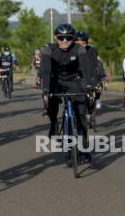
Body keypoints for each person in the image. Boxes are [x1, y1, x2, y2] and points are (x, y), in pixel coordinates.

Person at [41, 23, 95, 162]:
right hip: (55, 81)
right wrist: (46, 89)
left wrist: (89, 85)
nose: (64, 41)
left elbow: (85, 69)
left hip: (74, 81)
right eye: (61, 37)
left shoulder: (79, 49)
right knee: (50, 101)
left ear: (73, 38)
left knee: (81, 112)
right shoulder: (49, 50)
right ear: (56, 37)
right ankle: (53, 123)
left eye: (68, 38)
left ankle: (83, 146)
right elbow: (46, 71)